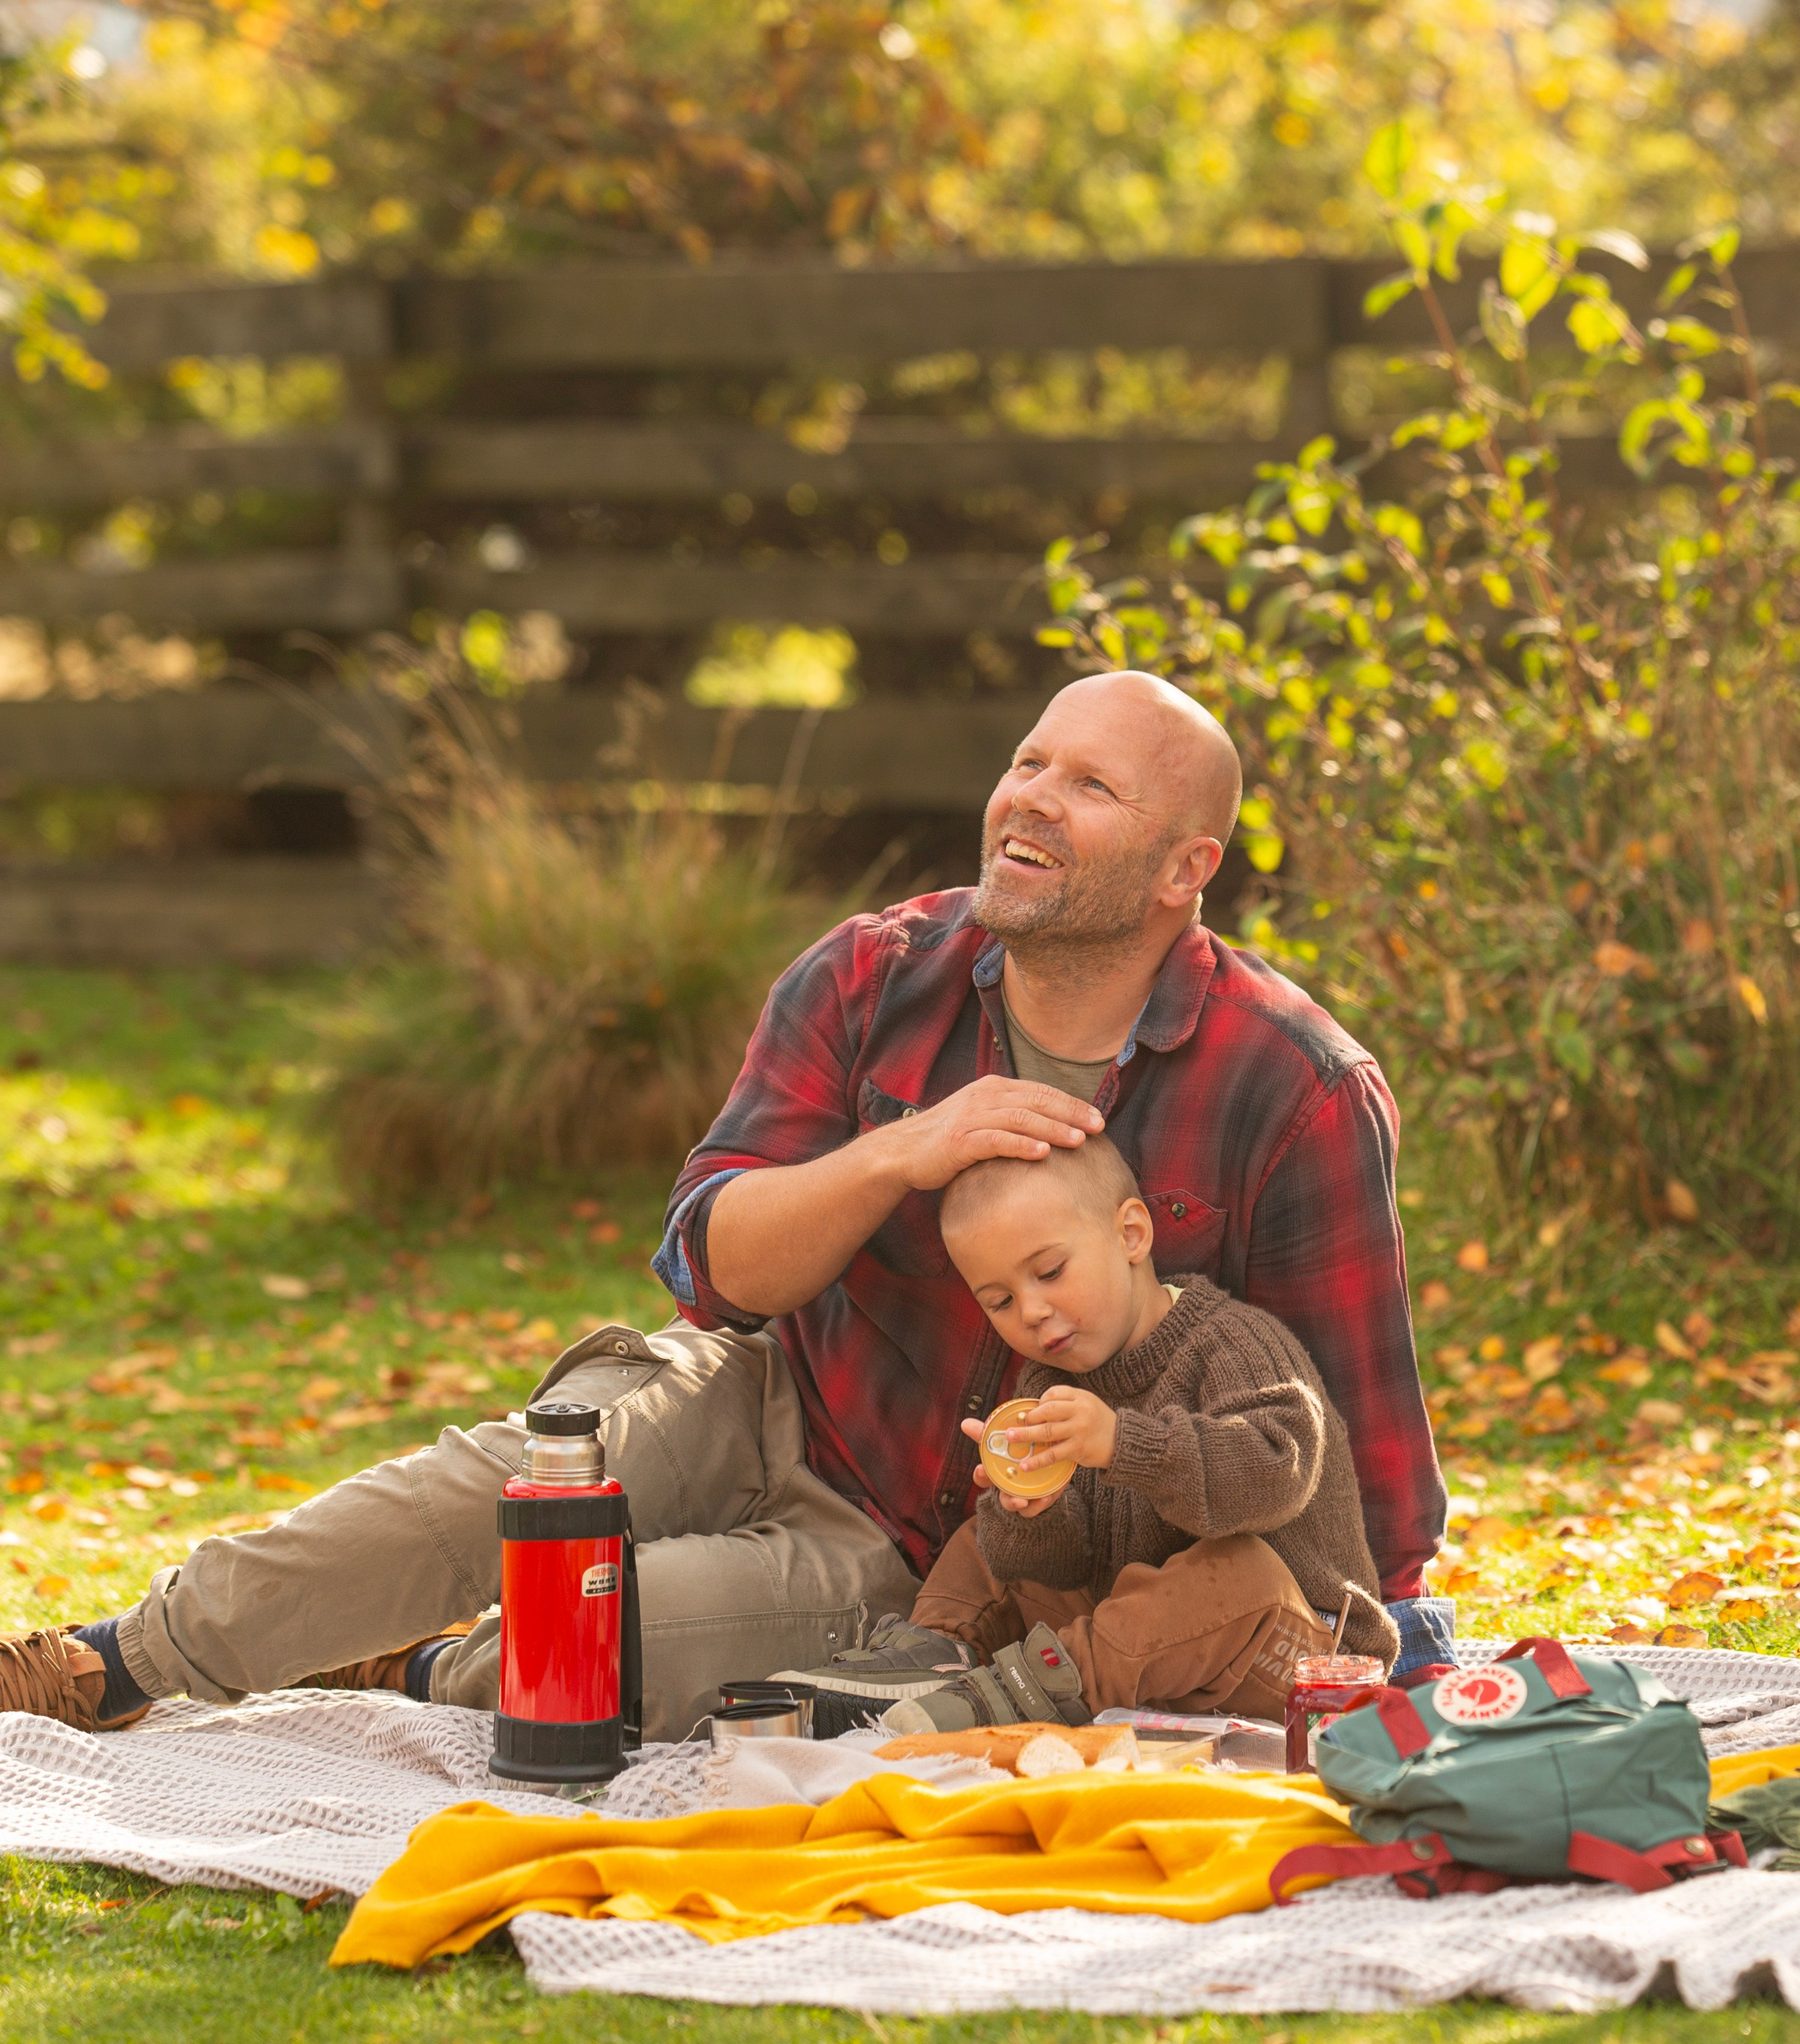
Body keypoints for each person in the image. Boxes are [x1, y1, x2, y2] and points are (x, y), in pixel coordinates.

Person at [0, 671, 1445, 1740]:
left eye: (1090, 788)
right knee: (498, 1490)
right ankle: (108, 1662)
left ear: (1186, 868)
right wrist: (900, 1154)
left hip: (927, 1551)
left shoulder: (1292, 1087)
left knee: (594, 1652)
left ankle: (404, 1665)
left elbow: (1348, 1442)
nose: (1029, 800)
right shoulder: (876, 975)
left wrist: (1378, 1640)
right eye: (1029, 762)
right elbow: (718, 1265)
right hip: (767, 1386)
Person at [779, 1131, 1401, 1732]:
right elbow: (1058, 1567)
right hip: (1143, 1648)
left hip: (1301, 1652)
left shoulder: (1233, 1343)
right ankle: (934, 1657)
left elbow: (1275, 1474)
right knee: (984, 1532)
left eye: (1049, 1272)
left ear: (1131, 1235)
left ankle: (1021, 1693)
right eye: (999, 1301)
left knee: (1239, 1571)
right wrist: (1031, 1512)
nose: (1031, 1311)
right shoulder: (1047, 1383)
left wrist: (1120, 1444)